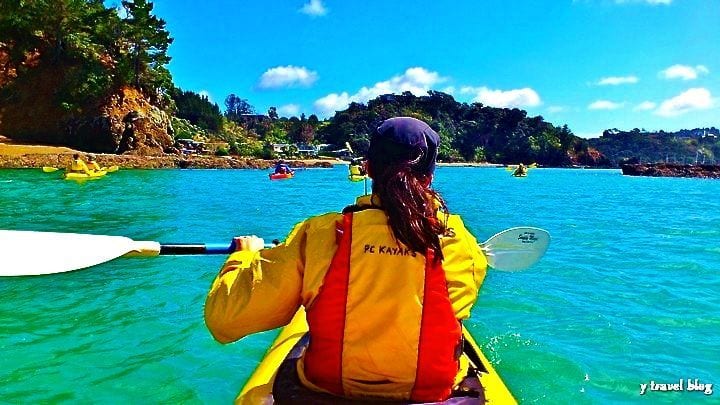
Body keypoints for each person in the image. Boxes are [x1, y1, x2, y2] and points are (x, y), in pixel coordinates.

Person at [204, 117, 488, 403]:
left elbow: (225, 321)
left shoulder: (318, 234)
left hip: (323, 391)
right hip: (430, 395)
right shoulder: (460, 242)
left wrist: (243, 258)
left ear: (368, 168)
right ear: (429, 176)